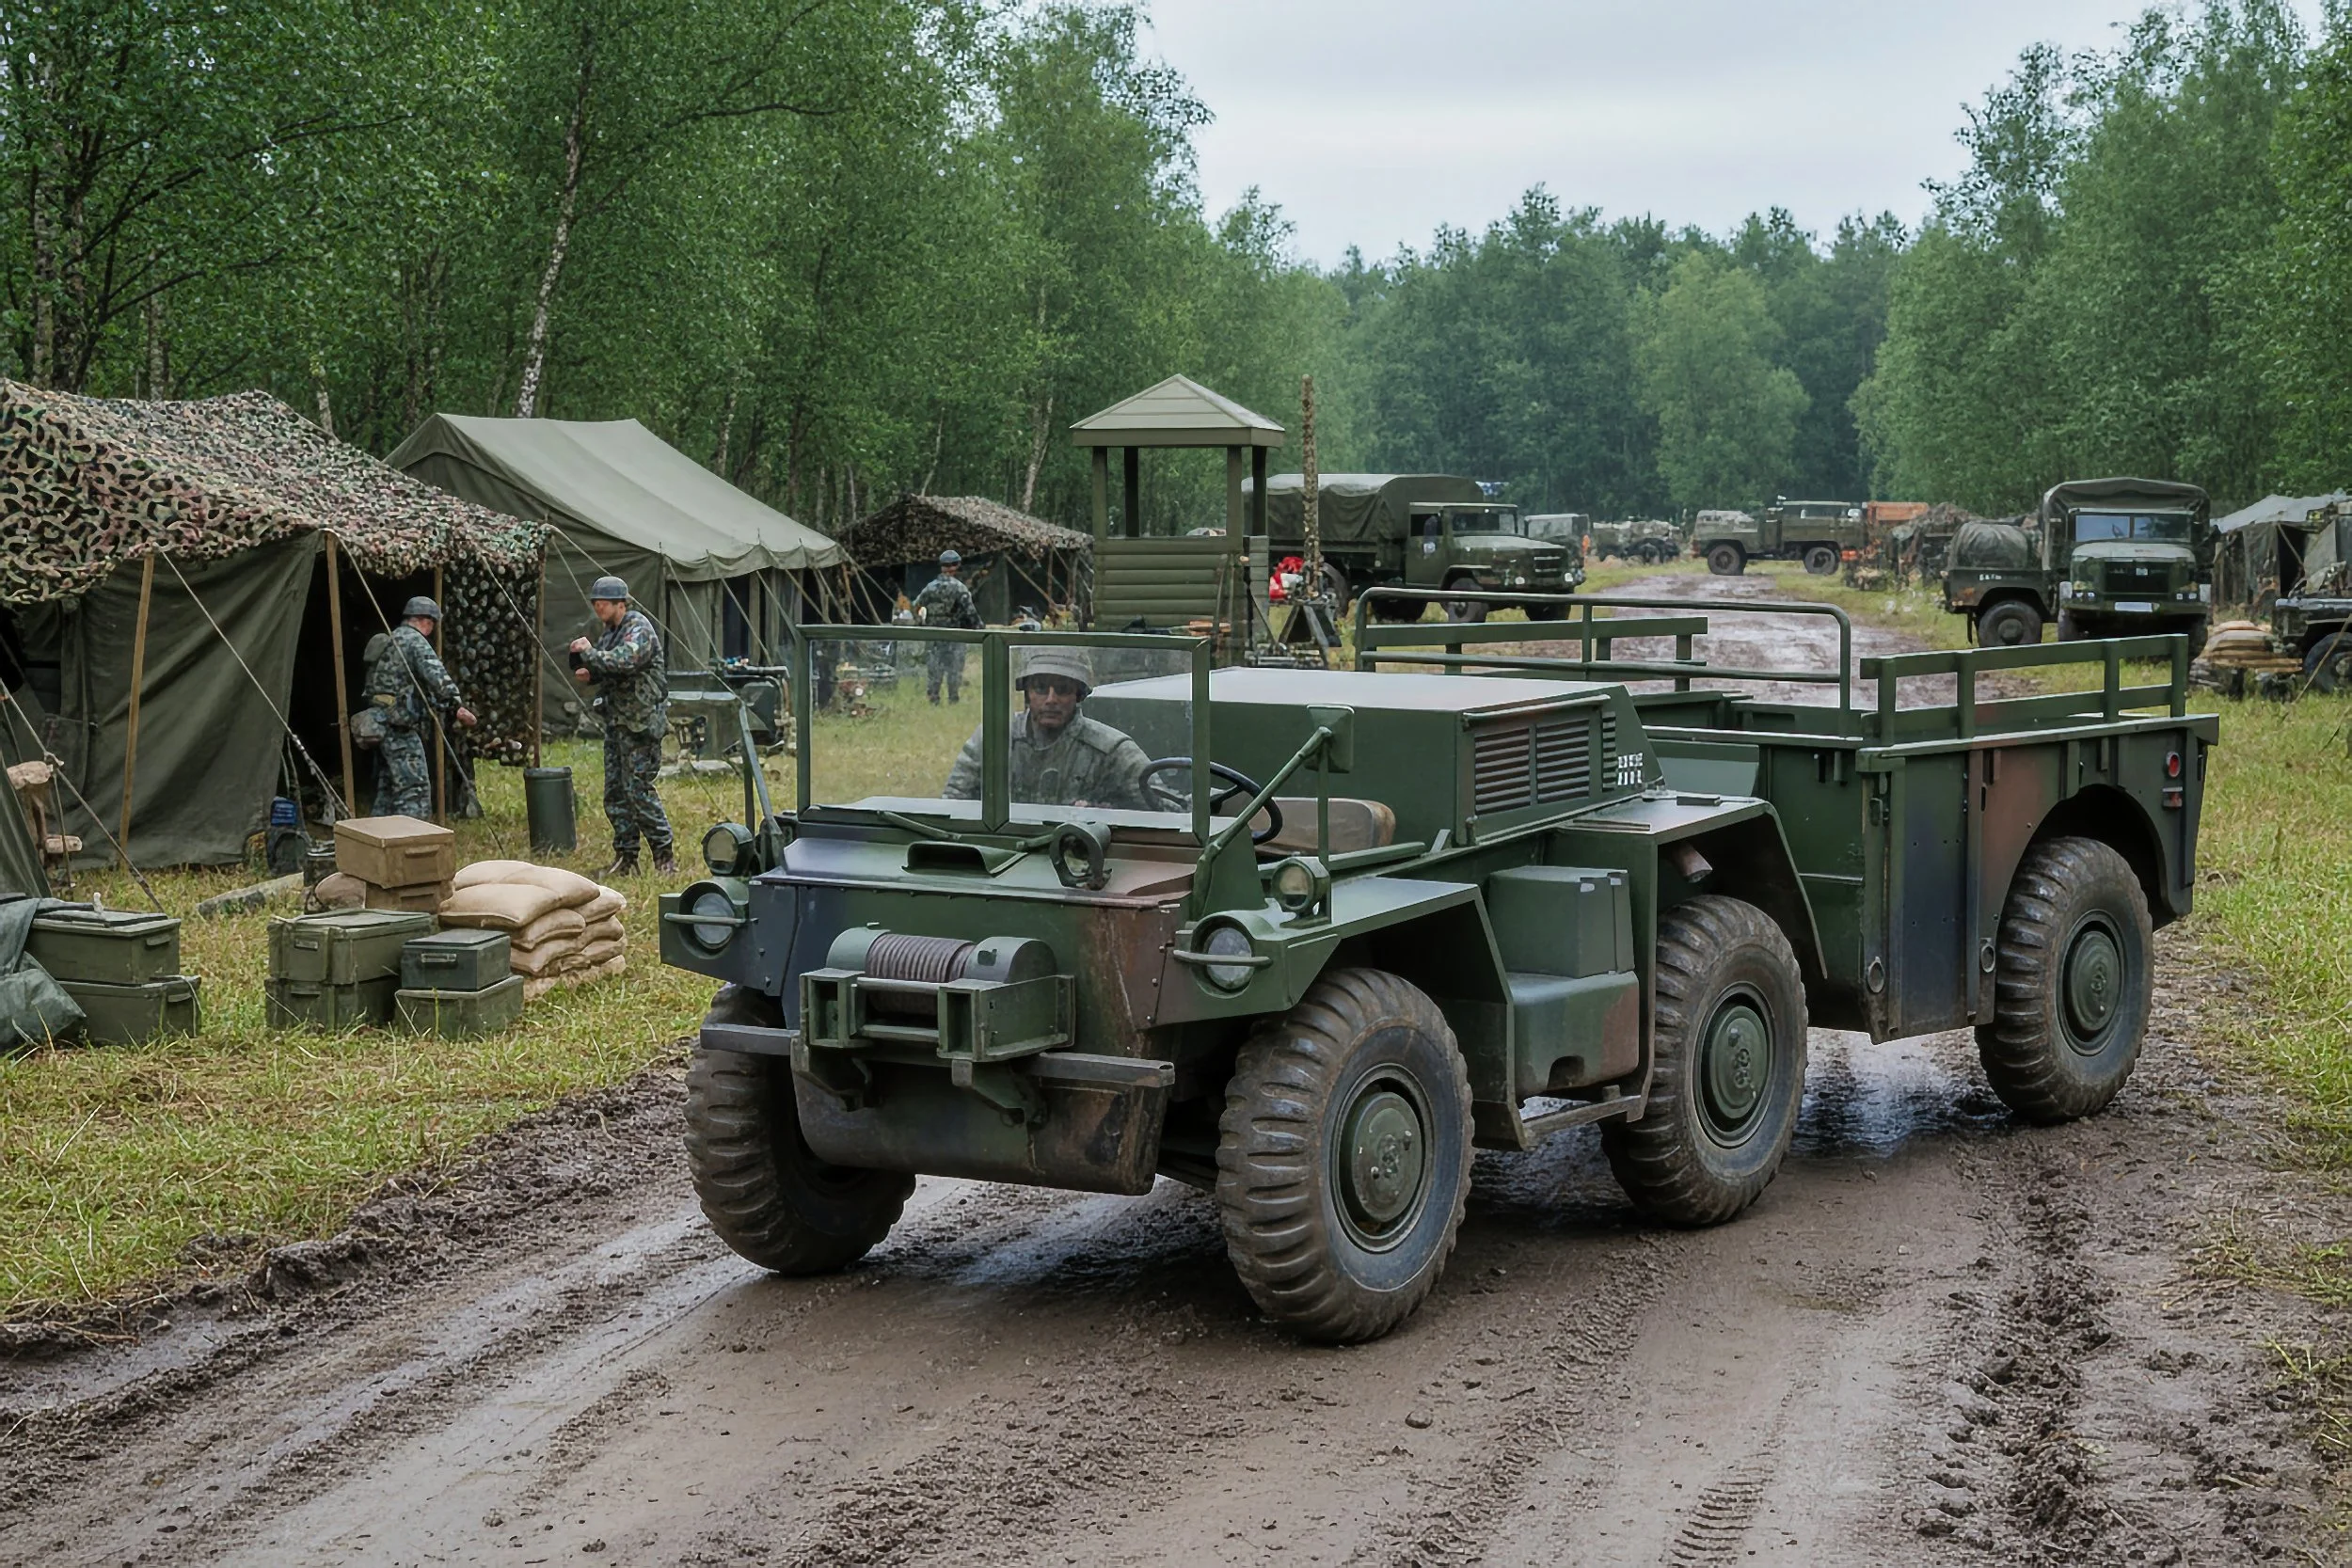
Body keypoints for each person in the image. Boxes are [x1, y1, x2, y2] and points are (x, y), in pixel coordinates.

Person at [942, 646, 1152, 810]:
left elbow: (1169, 809)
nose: (1051, 700)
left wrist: (1106, 814)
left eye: (1062, 690)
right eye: (1041, 688)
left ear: (1077, 695)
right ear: (1027, 693)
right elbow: (953, 803)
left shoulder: (1111, 749)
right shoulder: (994, 739)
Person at [568, 576, 674, 876]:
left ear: (620, 604)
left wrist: (590, 653)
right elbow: (608, 666)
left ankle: (664, 857)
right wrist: (591, 672)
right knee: (615, 792)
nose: (598, 608)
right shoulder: (611, 632)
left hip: (640, 724)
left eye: (603, 603)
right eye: (595, 603)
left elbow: (626, 661)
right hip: (619, 723)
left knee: (639, 790)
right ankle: (626, 858)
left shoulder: (637, 627)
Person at [363, 596, 476, 820]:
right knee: (414, 789)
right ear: (427, 621)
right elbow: (436, 677)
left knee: (388, 789)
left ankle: (376, 838)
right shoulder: (414, 641)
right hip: (399, 726)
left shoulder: (390, 640)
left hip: (378, 724)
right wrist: (457, 706)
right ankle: (413, 841)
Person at [911, 548, 981, 704]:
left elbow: (916, 606)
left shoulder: (930, 587)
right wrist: (980, 631)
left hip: (934, 635)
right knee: (954, 670)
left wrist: (921, 624)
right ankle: (953, 700)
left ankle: (933, 699)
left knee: (934, 669)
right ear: (956, 565)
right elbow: (971, 613)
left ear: (942, 566)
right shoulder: (960, 588)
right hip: (954, 636)